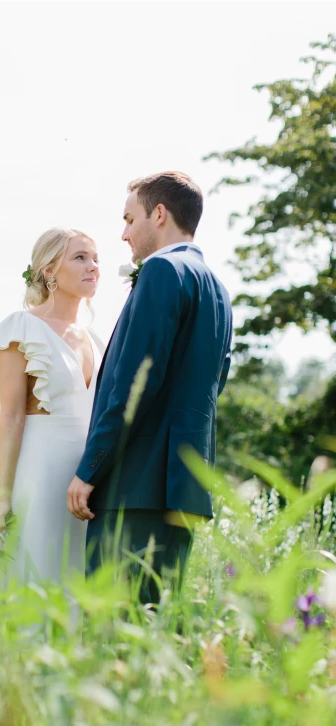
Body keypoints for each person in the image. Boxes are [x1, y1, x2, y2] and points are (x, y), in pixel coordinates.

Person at [67, 172, 233, 605]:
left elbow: (134, 385)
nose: (123, 234)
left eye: (129, 219)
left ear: (159, 214)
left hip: (134, 490)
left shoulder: (161, 270)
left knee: (112, 633)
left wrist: (91, 469)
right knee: (156, 634)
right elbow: (216, 383)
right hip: (183, 491)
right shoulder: (217, 288)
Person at [0, 227, 104, 585]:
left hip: (85, 481)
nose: (93, 267)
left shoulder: (95, 339)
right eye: (80, 257)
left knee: (76, 583)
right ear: (49, 270)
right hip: (38, 472)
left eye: (96, 258)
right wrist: (4, 497)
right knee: (33, 579)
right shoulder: (20, 328)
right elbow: (10, 415)